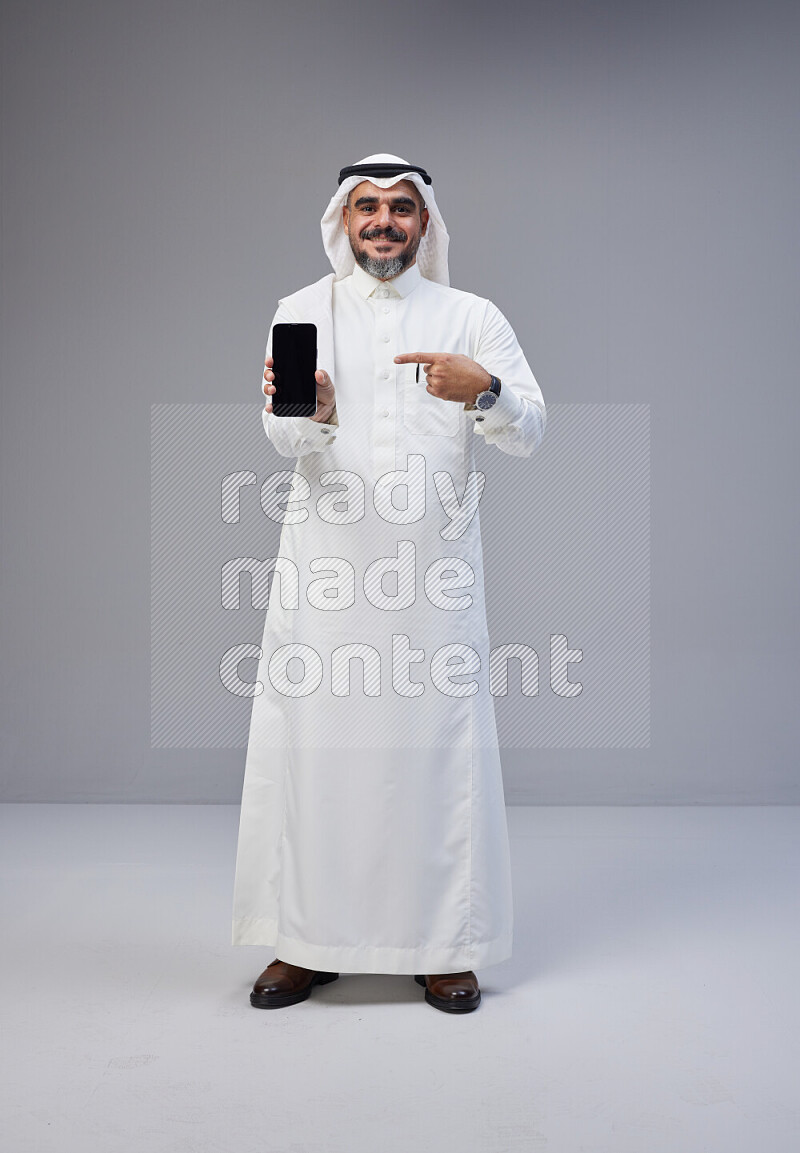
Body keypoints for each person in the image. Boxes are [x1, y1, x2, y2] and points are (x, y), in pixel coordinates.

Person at [231, 154, 546, 1014]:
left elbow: (532, 430)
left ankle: (445, 946)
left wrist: (484, 394)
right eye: (366, 207)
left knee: (434, 758)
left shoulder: (469, 316)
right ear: (342, 220)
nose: (383, 221)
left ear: (425, 224)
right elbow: (280, 438)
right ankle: (304, 942)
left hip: (431, 583)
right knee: (319, 756)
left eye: (401, 208)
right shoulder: (301, 312)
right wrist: (314, 415)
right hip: (328, 575)